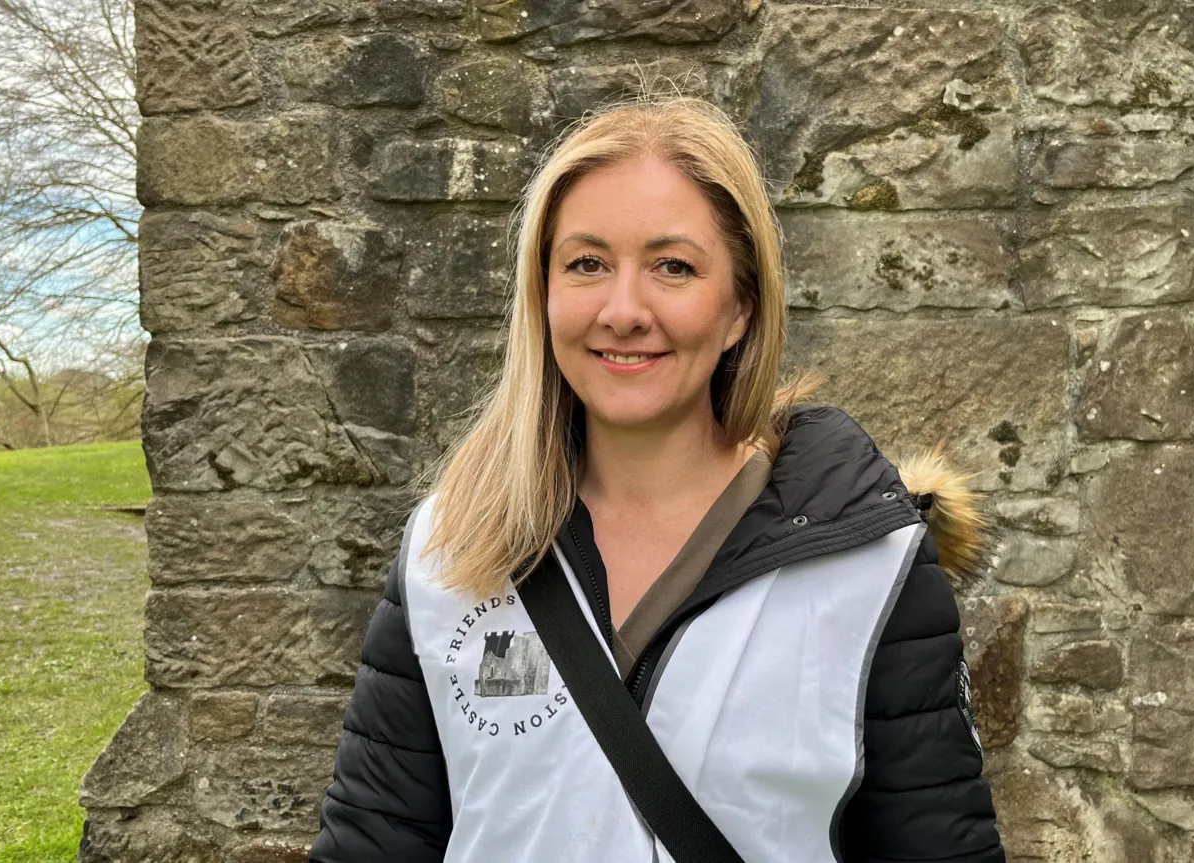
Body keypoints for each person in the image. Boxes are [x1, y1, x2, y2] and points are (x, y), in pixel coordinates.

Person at [309, 93, 1006, 862]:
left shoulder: (871, 563)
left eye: (672, 266)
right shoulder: (447, 549)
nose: (623, 308)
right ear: (542, 293)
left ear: (740, 304)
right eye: (587, 264)